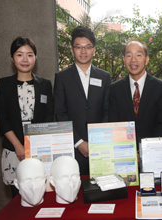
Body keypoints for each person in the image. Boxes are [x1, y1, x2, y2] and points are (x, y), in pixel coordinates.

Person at [0, 37, 54, 197]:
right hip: (13, 148)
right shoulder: (4, 85)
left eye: (30, 54)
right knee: (17, 196)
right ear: (12, 57)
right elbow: (2, 117)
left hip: (39, 147)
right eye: (19, 54)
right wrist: (18, 145)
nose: (25, 59)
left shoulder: (45, 84)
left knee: (41, 193)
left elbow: (49, 116)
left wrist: (33, 145)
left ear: (35, 57)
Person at [54, 26, 111, 175]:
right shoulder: (62, 78)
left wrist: (97, 140)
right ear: (72, 50)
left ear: (93, 50)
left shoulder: (104, 77)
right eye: (79, 47)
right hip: (72, 148)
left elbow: (107, 111)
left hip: (99, 147)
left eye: (87, 47)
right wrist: (79, 142)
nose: (83, 51)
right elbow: (60, 113)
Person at [109, 39, 162, 146]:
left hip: (152, 151)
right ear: (124, 60)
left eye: (138, 55)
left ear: (146, 60)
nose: (133, 60)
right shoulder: (115, 89)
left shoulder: (161, 88)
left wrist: (145, 150)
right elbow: (114, 124)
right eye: (129, 55)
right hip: (124, 152)